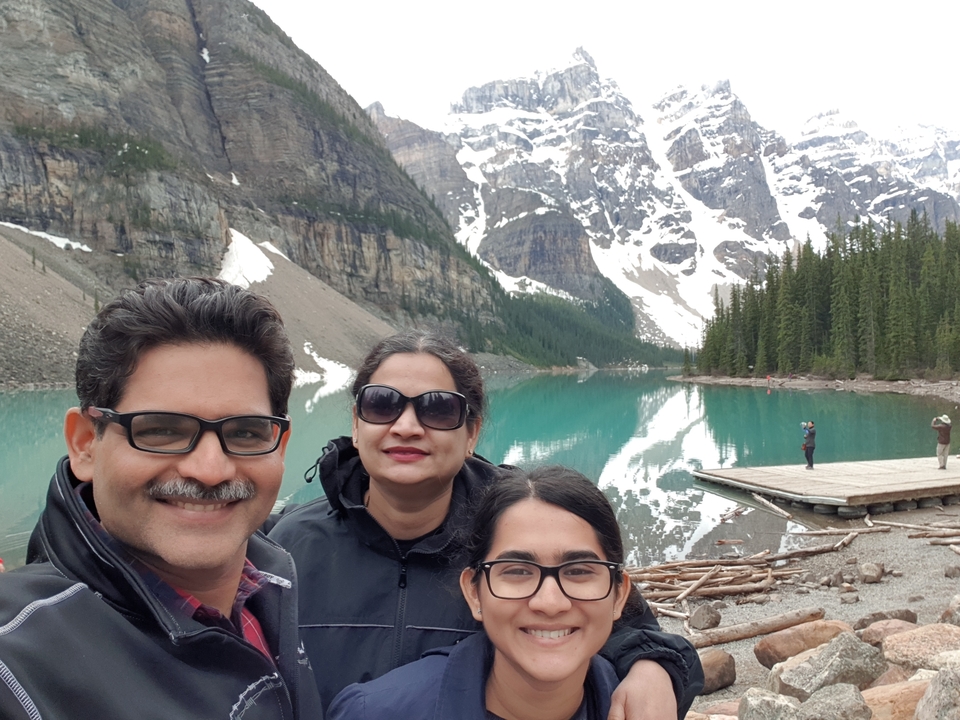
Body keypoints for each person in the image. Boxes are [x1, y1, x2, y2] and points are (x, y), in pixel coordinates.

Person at [268, 330, 702, 719]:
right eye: (381, 404)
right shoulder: (291, 547)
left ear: (472, 433)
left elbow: (622, 621)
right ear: (356, 424)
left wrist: (653, 668)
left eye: (437, 410)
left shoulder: (516, 533)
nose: (406, 426)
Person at [0, 277, 322, 719]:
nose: (210, 470)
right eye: (161, 430)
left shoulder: (273, 581)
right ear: (84, 445)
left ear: (280, 448)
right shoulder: (15, 663)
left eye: (246, 432)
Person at [327, 466, 638, 720]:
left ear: (619, 594)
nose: (550, 603)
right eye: (517, 571)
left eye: (579, 571)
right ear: (474, 593)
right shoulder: (376, 713)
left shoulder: (645, 707)